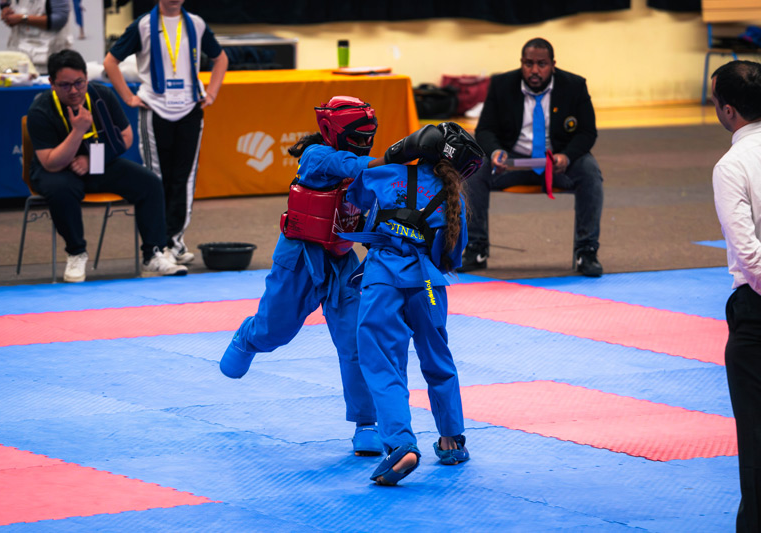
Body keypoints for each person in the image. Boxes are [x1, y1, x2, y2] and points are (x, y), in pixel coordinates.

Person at [218, 96, 444, 457]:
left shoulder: (368, 173)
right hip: (299, 259)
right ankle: (249, 338)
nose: (365, 141)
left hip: (342, 263)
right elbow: (352, 164)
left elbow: (378, 198)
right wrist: (403, 150)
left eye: (369, 135)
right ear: (331, 131)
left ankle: (365, 423)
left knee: (357, 340)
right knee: (275, 330)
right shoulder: (316, 157)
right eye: (358, 135)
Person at [341, 122, 484, 486]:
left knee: (382, 363)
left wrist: (394, 155)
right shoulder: (452, 199)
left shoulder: (386, 174)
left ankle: (401, 444)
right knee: (438, 359)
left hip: (382, 281)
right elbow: (453, 256)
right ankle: (451, 440)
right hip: (429, 286)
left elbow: (353, 197)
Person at [27, 49, 187, 282]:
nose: (74, 91)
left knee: (149, 182)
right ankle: (76, 253)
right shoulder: (40, 110)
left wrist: (92, 161)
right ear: (51, 83)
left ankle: (153, 254)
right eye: (65, 85)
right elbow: (50, 163)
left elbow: (126, 138)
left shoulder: (101, 96)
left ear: (86, 77)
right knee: (61, 189)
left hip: (97, 162)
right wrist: (78, 131)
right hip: (57, 170)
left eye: (79, 83)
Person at [460, 37, 604, 277]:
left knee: (590, 171)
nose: (534, 70)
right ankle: (476, 248)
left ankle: (586, 251)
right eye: (528, 64)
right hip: (511, 162)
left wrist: (567, 156)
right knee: (473, 169)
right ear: (521, 63)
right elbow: (484, 129)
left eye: (541, 64)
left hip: (557, 162)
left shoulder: (575, 86)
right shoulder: (502, 85)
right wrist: (495, 152)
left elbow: (587, 132)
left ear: (553, 65)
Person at [103, 0, 228, 266]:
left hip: (189, 108)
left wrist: (212, 93)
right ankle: (158, 245)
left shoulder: (196, 23)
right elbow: (110, 62)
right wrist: (128, 97)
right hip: (155, 109)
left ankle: (174, 242)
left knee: (184, 178)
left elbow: (221, 58)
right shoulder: (143, 26)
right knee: (156, 179)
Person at [710, 59, 761, 533]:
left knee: (757, 439)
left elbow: (748, 254)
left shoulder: (733, 165)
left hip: (757, 312)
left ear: (728, 110)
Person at [1, 0, 73, 74]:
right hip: (18, 55)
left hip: (46, 62)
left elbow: (59, 20)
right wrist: (5, 7)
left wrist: (23, 18)